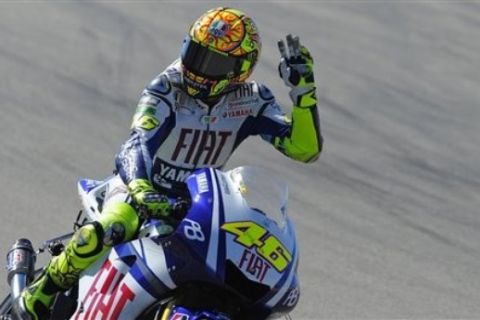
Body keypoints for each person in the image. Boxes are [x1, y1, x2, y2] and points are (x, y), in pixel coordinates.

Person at [16, 7, 322, 320]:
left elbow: (304, 149)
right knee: (110, 227)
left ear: (239, 69)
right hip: (141, 187)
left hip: (199, 204)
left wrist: (304, 93)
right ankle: (42, 291)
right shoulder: (166, 88)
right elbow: (135, 144)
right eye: (194, 53)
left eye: (211, 62)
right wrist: (141, 188)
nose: (196, 68)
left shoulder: (252, 100)